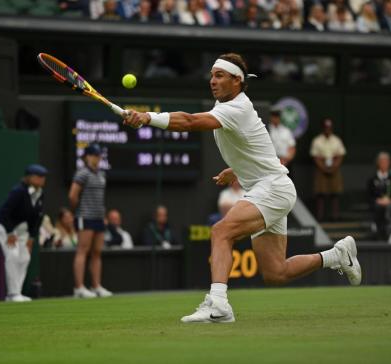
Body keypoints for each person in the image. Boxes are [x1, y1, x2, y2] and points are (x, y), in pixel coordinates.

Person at [123, 52, 361, 323]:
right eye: (212, 75)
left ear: (237, 81)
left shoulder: (237, 107)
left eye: (220, 75)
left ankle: (219, 304)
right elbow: (258, 151)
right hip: (268, 187)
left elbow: (189, 122)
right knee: (275, 273)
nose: (212, 81)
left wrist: (147, 117)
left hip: (272, 188)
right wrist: (236, 170)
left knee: (221, 231)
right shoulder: (228, 106)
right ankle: (336, 256)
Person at [0, 164, 47, 302]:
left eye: (43, 177)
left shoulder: (41, 193)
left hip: (23, 229)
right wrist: (10, 233)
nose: (42, 180)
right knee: (12, 255)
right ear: (30, 177)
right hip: (5, 226)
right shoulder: (18, 191)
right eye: (39, 177)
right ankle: (12, 294)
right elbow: (5, 213)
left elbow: (38, 217)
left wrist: (32, 237)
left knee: (25, 258)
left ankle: (17, 292)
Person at [69, 143, 112, 298]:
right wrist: (79, 212)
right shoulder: (82, 173)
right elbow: (72, 196)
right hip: (85, 216)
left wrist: (103, 215)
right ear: (87, 156)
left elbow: (100, 198)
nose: (98, 158)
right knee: (82, 250)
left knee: (97, 252)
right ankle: (79, 288)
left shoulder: (101, 174)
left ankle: (96, 286)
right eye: (95, 155)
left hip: (99, 217)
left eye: (99, 155)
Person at [310, 118, 346, 221]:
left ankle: (335, 216)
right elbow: (315, 156)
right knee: (320, 193)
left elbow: (340, 155)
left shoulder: (337, 140)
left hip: (334, 168)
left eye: (329, 127)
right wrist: (323, 167)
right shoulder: (317, 141)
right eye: (326, 127)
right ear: (323, 128)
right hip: (321, 169)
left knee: (335, 193)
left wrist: (334, 166)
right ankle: (320, 216)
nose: (327, 130)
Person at [367, 152, 391, 240]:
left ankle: (390, 231)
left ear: (389, 163)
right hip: (376, 206)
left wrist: (390, 201)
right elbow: (369, 196)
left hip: (390, 204)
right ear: (378, 163)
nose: (384, 164)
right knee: (379, 207)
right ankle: (376, 227)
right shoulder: (371, 180)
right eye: (382, 162)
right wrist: (377, 200)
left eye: (386, 162)